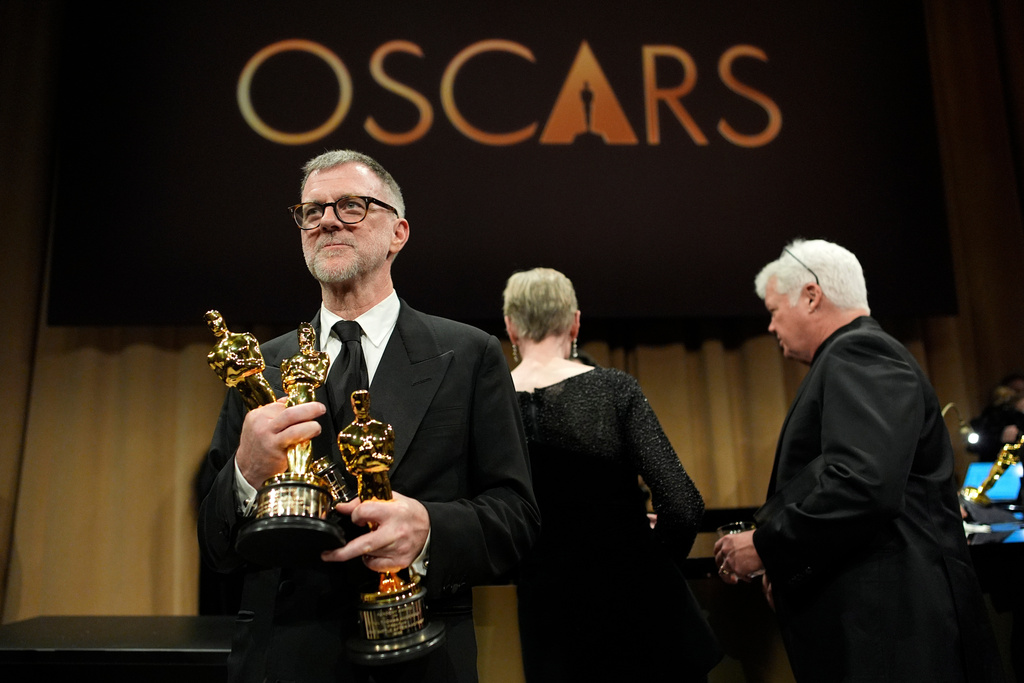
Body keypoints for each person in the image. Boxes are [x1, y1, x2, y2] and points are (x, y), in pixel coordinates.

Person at [198, 150, 540, 683]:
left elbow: (517, 519)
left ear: (398, 233)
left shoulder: (469, 354)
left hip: (418, 656)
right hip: (280, 659)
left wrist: (428, 529)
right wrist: (243, 473)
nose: (328, 220)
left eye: (352, 206)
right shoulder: (261, 364)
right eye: (312, 212)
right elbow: (215, 548)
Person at [714, 239, 1005, 682]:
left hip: (894, 633)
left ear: (811, 297)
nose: (771, 326)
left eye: (774, 310)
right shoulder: (851, 356)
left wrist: (768, 546)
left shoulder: (860, 353)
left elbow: (862, 484)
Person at [502, 267, 722, 682]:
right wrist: (641, 555)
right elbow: (683, 504)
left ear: (511, 328)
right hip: (641, 617)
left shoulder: (489, 405)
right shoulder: (614, 389)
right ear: (575, 322)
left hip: (551, 623)